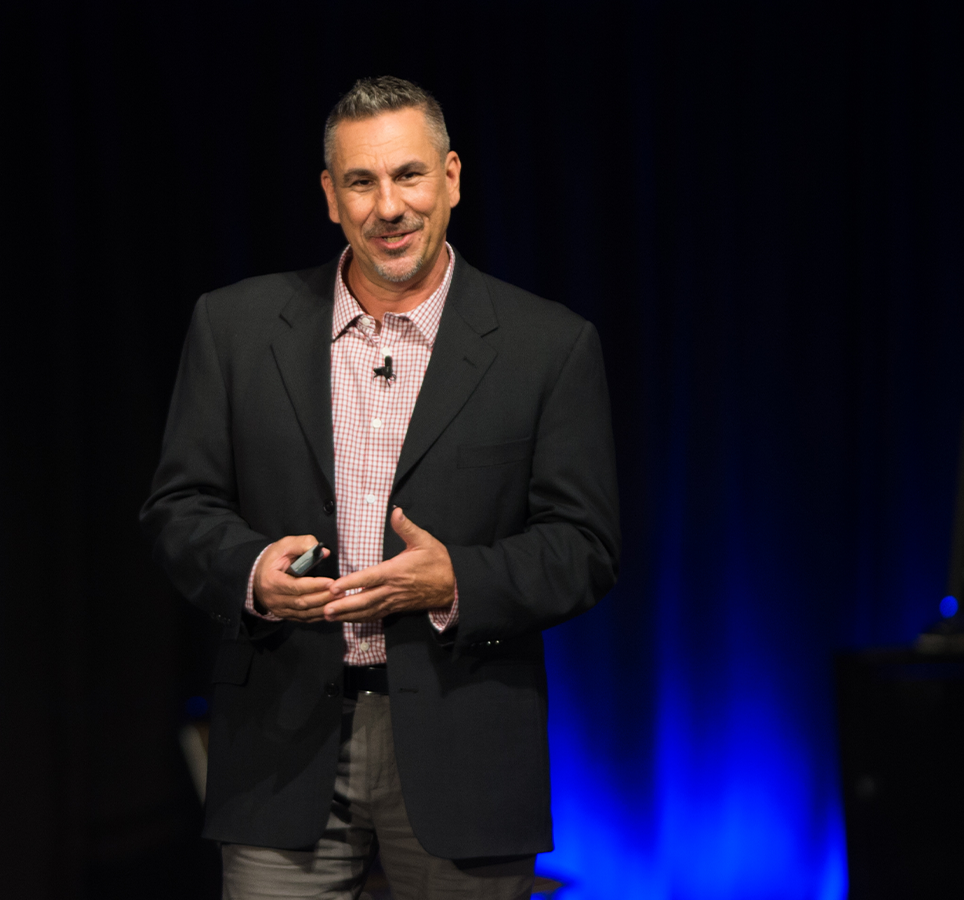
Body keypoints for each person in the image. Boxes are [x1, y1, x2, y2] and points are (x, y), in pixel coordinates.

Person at [140, 76, 619, 900]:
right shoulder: (234, 327)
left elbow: (584, 548)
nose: (388, 206)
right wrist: (252, 573)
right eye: (362, 182)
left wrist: (458, 580)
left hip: (463, 748)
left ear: (453, 179)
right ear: (330, 197)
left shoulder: (548, 345)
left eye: (410, 175)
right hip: (281, 748)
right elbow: (178, 509)